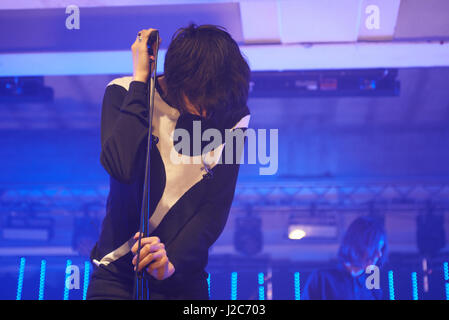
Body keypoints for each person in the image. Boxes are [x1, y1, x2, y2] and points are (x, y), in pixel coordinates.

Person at [86, 24, 251, 300]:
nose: (206, 111)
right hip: (116, 276)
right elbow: (122, 167)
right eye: (200, 99)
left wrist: (170, 263)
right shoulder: (124, 92)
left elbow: (216, 207)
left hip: (183, 279)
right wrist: (141, 80)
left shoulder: (231, 117)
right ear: (180, 80)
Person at [303, 216, 388, 300]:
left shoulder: (373, 288)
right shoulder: (322, 278)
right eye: (374, 248)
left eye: (381, 249)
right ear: (357, 245)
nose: (379, 254)